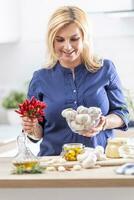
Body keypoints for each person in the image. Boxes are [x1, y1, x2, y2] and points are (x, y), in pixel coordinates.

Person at [22, 6, 129, 156]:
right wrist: (31, 127)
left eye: (74, 39)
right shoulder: (40, 78)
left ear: (84, 38)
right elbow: (37, 134)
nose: (67, 46)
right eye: (60, 40)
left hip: (98, 162)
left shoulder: (105, 69)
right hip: (54, 166)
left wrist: (103, 123)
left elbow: (122, 113)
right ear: (51, 40)